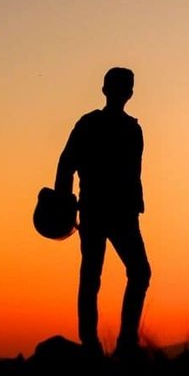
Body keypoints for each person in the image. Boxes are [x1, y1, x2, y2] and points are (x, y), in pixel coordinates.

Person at [55, 66, 151, 358]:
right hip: (102, 210)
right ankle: (101, 344)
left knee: (107, 274)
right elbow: (67, 163)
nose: (124, 92)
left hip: (115, 212)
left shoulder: (126, 128)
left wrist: (65, 200)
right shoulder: (98, 125)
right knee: (102, 274)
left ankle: (116, 343)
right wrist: (64, 202)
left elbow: (67, 164)